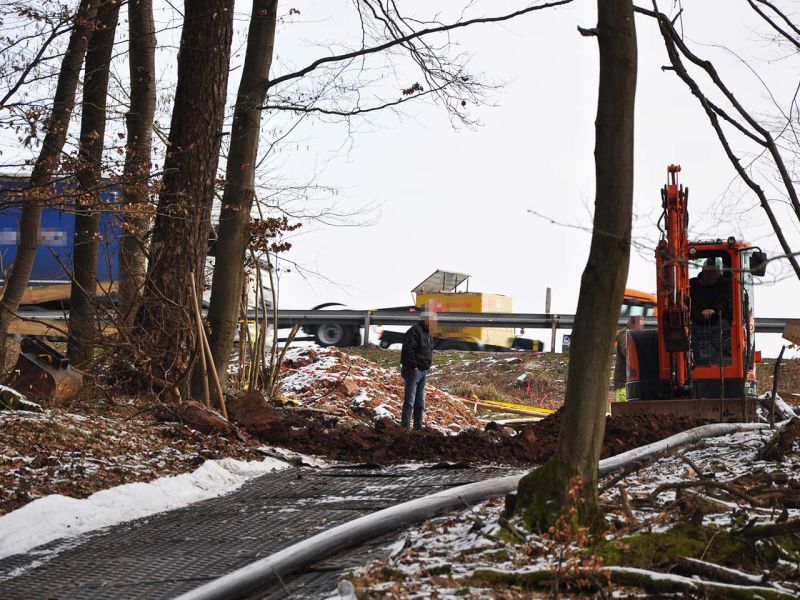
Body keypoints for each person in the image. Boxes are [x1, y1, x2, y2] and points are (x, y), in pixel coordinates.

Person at [689, 258, 732, 365]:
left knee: (726, 327)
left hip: (718, 320)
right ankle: (696, 361)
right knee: (688, 329)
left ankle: (723, 360)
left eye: (716, 274)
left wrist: (714, 310)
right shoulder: (691, 285)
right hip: (695, 320)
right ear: (704, 272)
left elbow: (725, 300)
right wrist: (699, 313)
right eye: (711, 273)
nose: (715, 277)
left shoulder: (724, 285)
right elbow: (687, 302)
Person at [400, 310, 436, 429]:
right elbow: (408, 349)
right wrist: (414, 365)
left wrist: (426, 366)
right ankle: (405, 428)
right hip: (413, 370)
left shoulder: (429, 334)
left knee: (420, 403)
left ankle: (417, 429)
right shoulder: (414, 331)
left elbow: (429, 350)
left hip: (423, 371)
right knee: (410, 401)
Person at [613, 315, 644, 402]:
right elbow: (627, 352)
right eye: (640, 325)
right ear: (632, 324)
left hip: (627, 385)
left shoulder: (630, 336)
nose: (641, 328)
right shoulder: (625, 335)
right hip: (623, 386)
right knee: (622, 412)